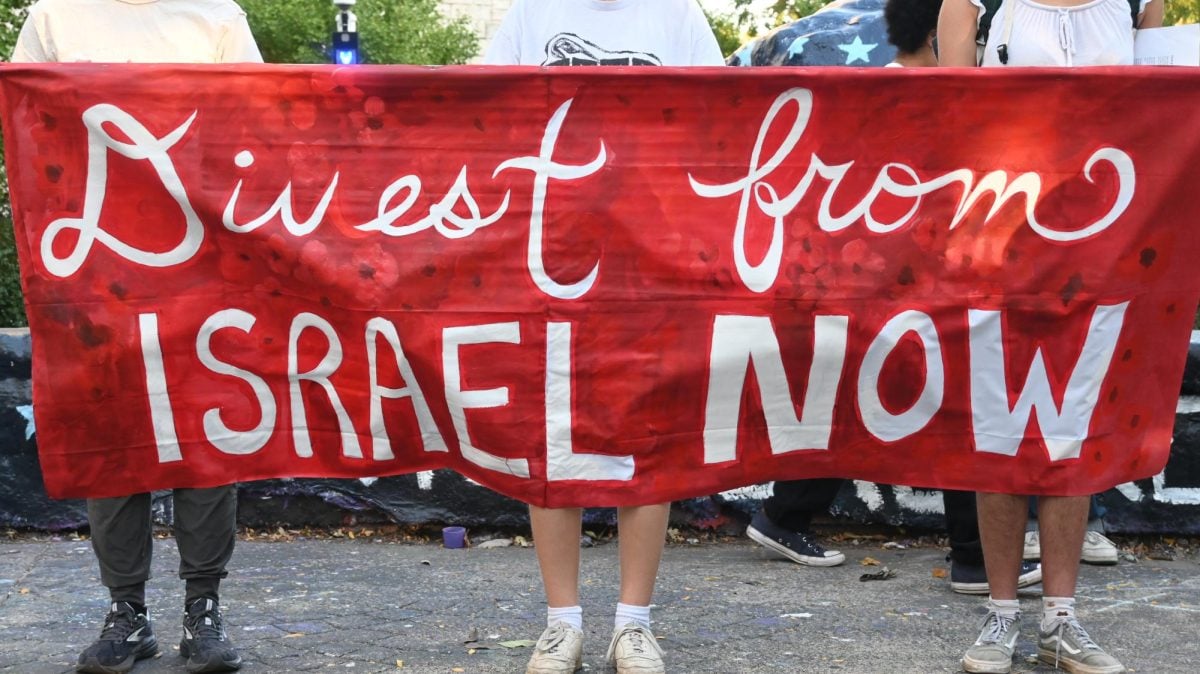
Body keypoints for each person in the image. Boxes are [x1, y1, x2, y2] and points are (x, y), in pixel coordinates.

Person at [749, 0, 1042, 598]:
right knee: (963, 397)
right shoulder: (951, 106)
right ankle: (974, 556)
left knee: (848, 395)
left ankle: (784, 516)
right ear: (943, 33)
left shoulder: (865, 95)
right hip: (923, 285)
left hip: (861, 285)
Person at [10, 2, 262, 673]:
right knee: (112, 433)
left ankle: (202, 611)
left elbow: (256, 125)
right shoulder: (56, 13)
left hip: (198, 252)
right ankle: (128, 612)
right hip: (91, 253)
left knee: (204, 432)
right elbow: (23, 116)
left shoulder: (215, 14)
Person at [484, 2, 722, 672]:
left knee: (645, 434)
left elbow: (726, 114)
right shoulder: (532, 13)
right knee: (550, 435)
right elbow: (478, 112)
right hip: (546, 253)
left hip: (651, 254)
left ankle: (634, 624)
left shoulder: (676, 14)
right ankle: (563, 623)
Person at [937, 1, 1162, 672]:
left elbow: (1162, 117)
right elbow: (948, 116)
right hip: (999, 235)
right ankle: (1001, 616)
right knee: (1000, 426)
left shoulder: (1135, 3)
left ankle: (1061, 618)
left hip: (1108, 241)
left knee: (1074, 423)